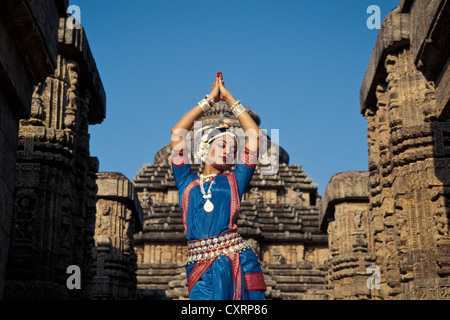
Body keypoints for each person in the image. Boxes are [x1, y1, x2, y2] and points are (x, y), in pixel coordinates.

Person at [170, 73, 266, 300]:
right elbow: (177, 134)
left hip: (238, 263)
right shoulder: (186, 182)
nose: (228, 151)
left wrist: (230, 100)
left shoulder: (235, 180)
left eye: (233, 149)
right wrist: (210, 100)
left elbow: (254, 137)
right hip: (199, 267)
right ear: (205, 147)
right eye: (222, 145)